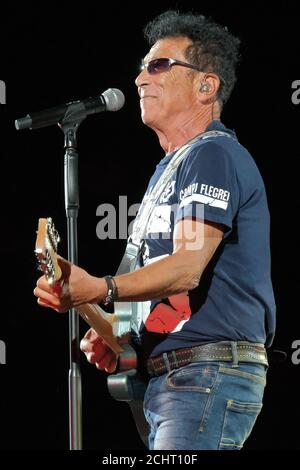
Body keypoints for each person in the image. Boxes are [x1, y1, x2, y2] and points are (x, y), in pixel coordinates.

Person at [34, 10, 276, 450]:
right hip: (179, 382)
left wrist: (101, 287)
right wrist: (105, 321)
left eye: (159, 65)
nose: (140, 78)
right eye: (142, 67)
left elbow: (186, 269)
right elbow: (163, 303)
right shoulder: (169, 169)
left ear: (206, 85)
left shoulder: (213, 154)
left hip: (204, 376)